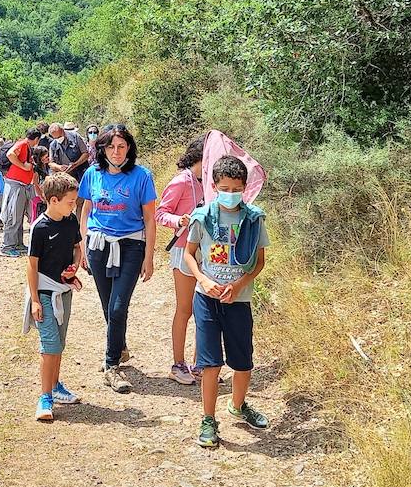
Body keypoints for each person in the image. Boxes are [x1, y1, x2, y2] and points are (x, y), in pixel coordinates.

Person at [184, 155, 271, 448]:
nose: (230, 194)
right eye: (224, 188)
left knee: (243, 361)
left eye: (236, 189)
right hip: (206, 299)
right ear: (213, 185)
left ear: (245, 187)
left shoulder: (255, 219)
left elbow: (259, 263)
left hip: (239, 299)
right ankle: (208, 419)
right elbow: (189, 253)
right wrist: (204, 280)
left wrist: (238, 285)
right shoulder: (202, 217)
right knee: (210, 363)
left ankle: (238, 405)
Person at [78, 124, 157, 393]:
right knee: (107, 304)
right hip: (99, 245)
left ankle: (111, 365)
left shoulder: (142, 176)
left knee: (118, 306)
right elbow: (86, 211)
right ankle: (119, 346)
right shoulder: (92, 174)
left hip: (132, 245)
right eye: (111, 146)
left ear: (129, 148)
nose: (116, 151)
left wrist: (149, 256)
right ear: (102, 149)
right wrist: (82, 247)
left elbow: (149, 218)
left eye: (121, 146)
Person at [23, 172, 85, 420]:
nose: (74, 206)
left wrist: (75, 267)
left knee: (59, 342)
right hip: (45, 291)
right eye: (71, 202)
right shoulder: (40, 227)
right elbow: (31, 265)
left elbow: (76, 249)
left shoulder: (70, 221)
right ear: (53, 200)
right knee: (49, 345)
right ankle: (44, 397)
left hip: (64, 289)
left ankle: (56, 385)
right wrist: (36, 300)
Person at [156, 136, 206, 385]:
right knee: (185, 309)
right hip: (184, 249)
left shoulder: (212, 182)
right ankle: (178, 364)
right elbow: (160, 213)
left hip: (208, 252)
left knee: (204, 311)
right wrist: (178, 220)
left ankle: (200, 364)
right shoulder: (181, 181)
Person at [0, 128, 43, 257]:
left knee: (18, 216)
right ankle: (7, 246)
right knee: (13, 215)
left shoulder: (27, 147)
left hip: (22, 185)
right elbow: (10, 154)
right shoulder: (23, 144)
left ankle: (18, 244)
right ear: (36, 139)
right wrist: (23, 166)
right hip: (16, 184)